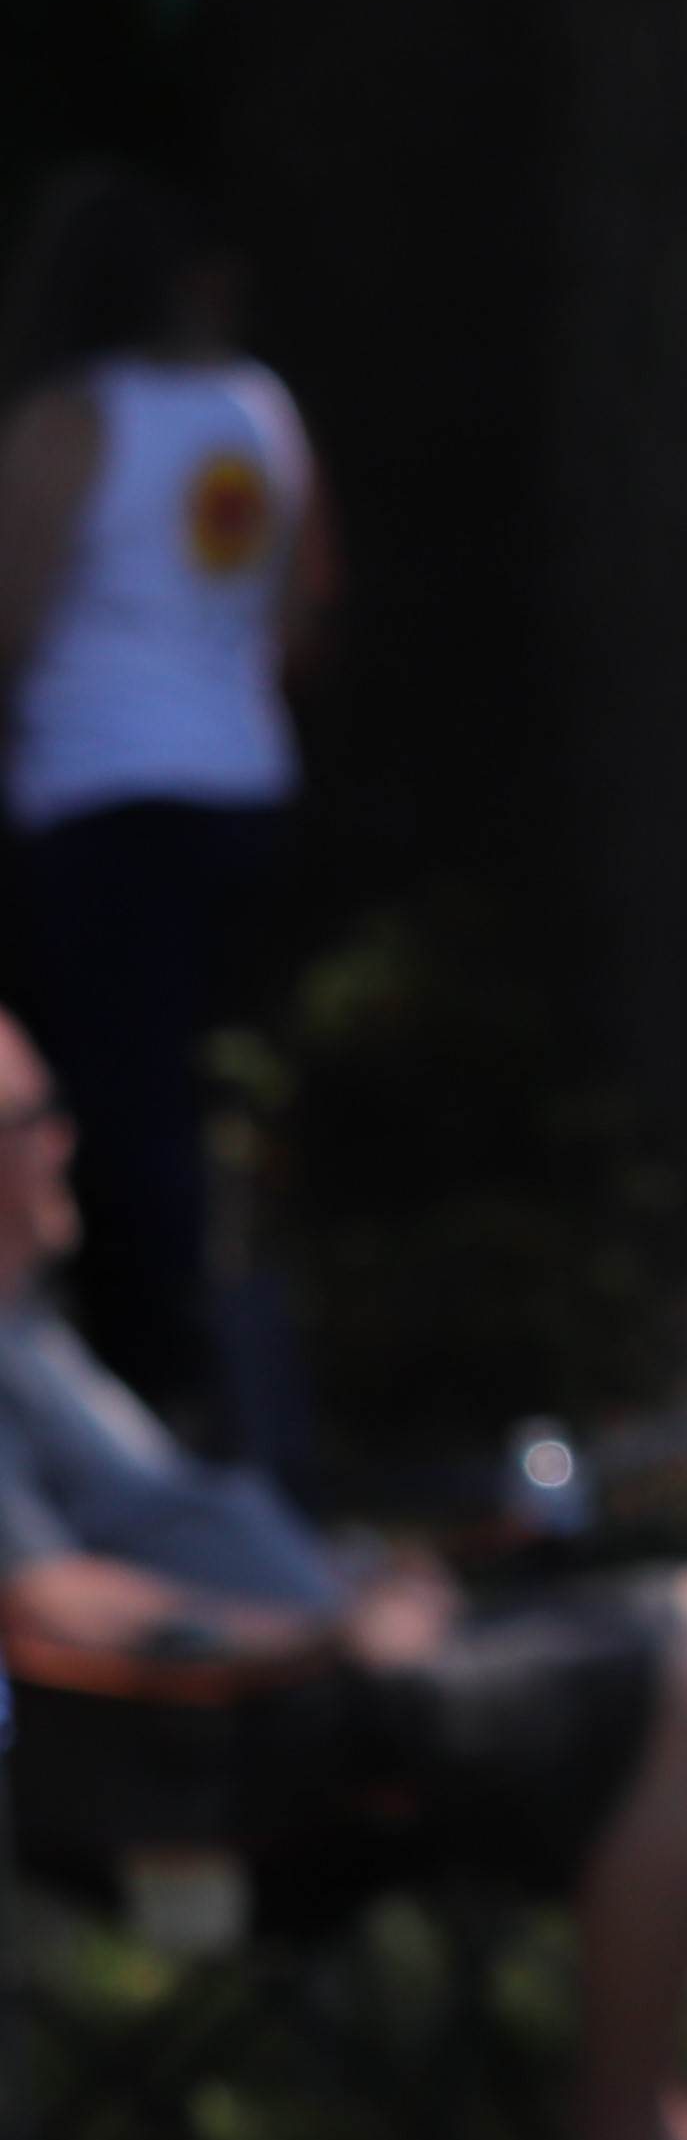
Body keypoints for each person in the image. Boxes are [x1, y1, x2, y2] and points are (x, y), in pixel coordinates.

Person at [0, 1003, 687, 2140]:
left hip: (315, 1688)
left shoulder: (32, 1337)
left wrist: (357, 1577)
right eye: (33, 1118)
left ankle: (651, 2115)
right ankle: (624, 2137)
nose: (65, 1141)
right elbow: (44, 1602)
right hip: (226, 1745)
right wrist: (320, 1636)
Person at [0, 168, 336, 1435]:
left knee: (106, 1110)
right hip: (238, 787)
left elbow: (12, 617)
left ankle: (156, 1390)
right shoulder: (258, 410)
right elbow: (304, 605)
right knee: (182, 1100)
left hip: (100, 796)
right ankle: (206, 1373)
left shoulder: (71, 419)